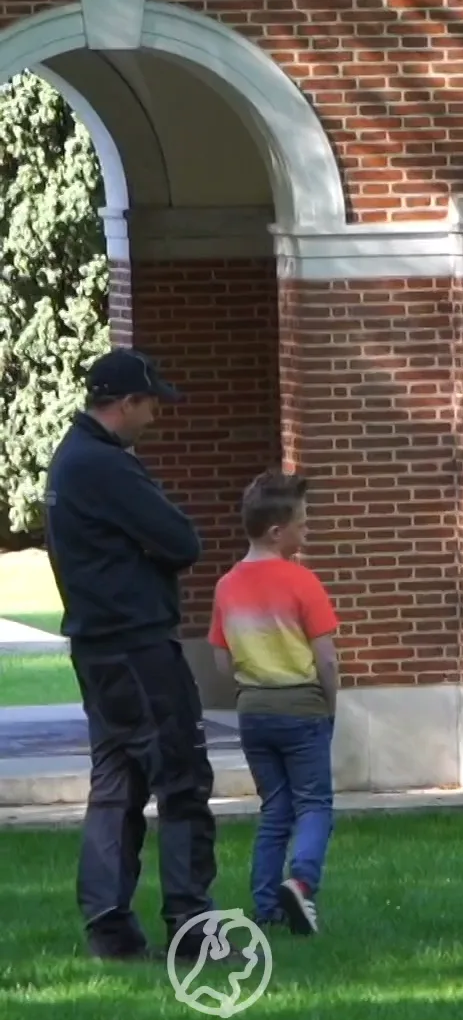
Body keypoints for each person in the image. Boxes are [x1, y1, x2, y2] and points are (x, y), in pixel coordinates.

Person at [42, 347, 219, 963]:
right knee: (182, 780)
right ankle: (192, 927)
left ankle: (109, 929)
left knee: (116, 784)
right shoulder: (107, 465)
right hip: (138, 644)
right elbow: (181, 540)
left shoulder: (71, 458)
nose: (154, 417)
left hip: (97, 646)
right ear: (124, 403)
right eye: (149, 404)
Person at [209, 470, 340, 937]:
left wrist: (250, 687)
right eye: (303, 525)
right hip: (302, 706)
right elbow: (325, 658)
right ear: (275, 531)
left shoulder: (227, 586)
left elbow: (222, 661)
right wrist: (330, 703)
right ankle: (301, 882)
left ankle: (265, 904)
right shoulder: (302, 582)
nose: (307, 532)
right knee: (315, 804)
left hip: (253, 710)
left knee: (275, 808)